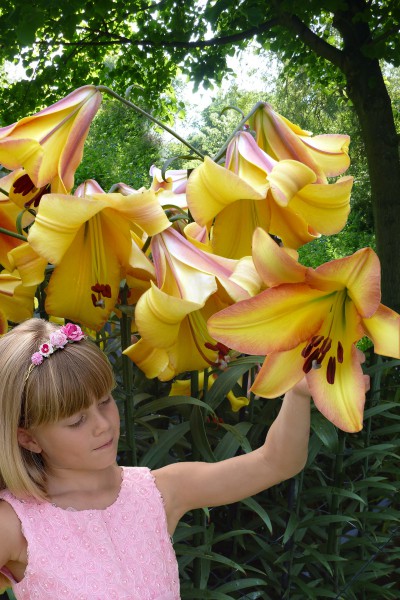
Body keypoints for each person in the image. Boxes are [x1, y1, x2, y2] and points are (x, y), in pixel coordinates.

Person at [0, 318, 312, 600]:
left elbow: (277, 462)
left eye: (105, 401)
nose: (103, 425)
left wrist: (299, 392)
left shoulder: (160, 491)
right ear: (28, 438)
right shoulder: (14, 524)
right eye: (76, 421)